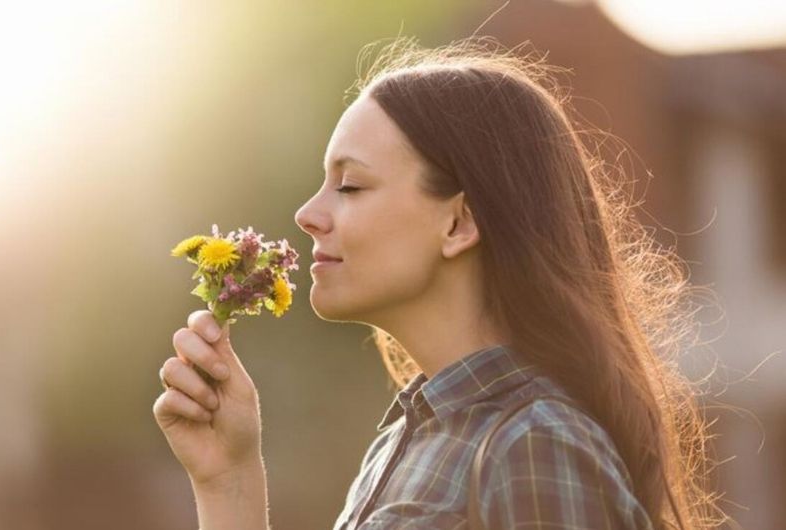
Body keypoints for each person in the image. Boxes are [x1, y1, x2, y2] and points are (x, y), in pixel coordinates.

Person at [153, 36, 726, 530]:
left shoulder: (534, 444)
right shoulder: (408, 442)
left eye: (349, 185)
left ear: (459, 223)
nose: (307, 214)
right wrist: (228, 477)